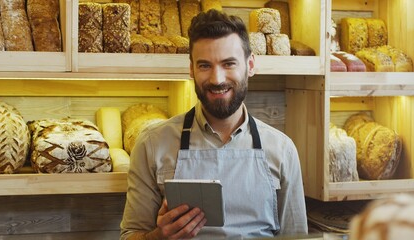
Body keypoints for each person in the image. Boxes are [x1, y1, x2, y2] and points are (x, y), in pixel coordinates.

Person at [120, 9, 308, 239]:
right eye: (204, 66)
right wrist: (159, 236)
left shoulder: (282, 150)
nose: (217, 79)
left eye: (229, 64)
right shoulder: (152, 144)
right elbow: (130, 235)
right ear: (191, 69)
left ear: (250, 65)